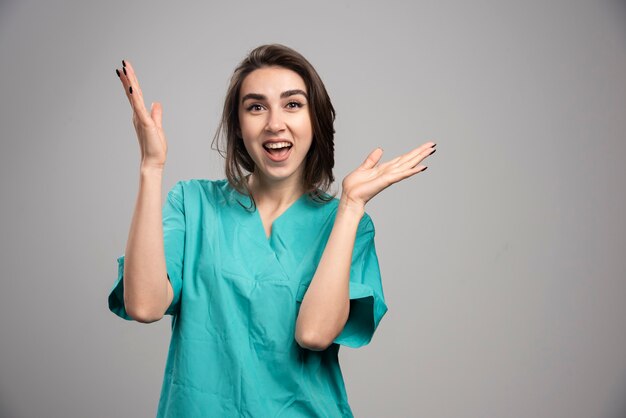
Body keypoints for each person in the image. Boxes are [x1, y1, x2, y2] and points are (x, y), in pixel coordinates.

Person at [108, 44, 436, 417]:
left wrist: (350, 206)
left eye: (293, 104)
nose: (274, 123)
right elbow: (144, 305)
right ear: (238, 124)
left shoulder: (346, 224)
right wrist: (151, 167)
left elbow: (313, 335)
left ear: (316, 120)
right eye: (256, 107)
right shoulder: (192, 203)